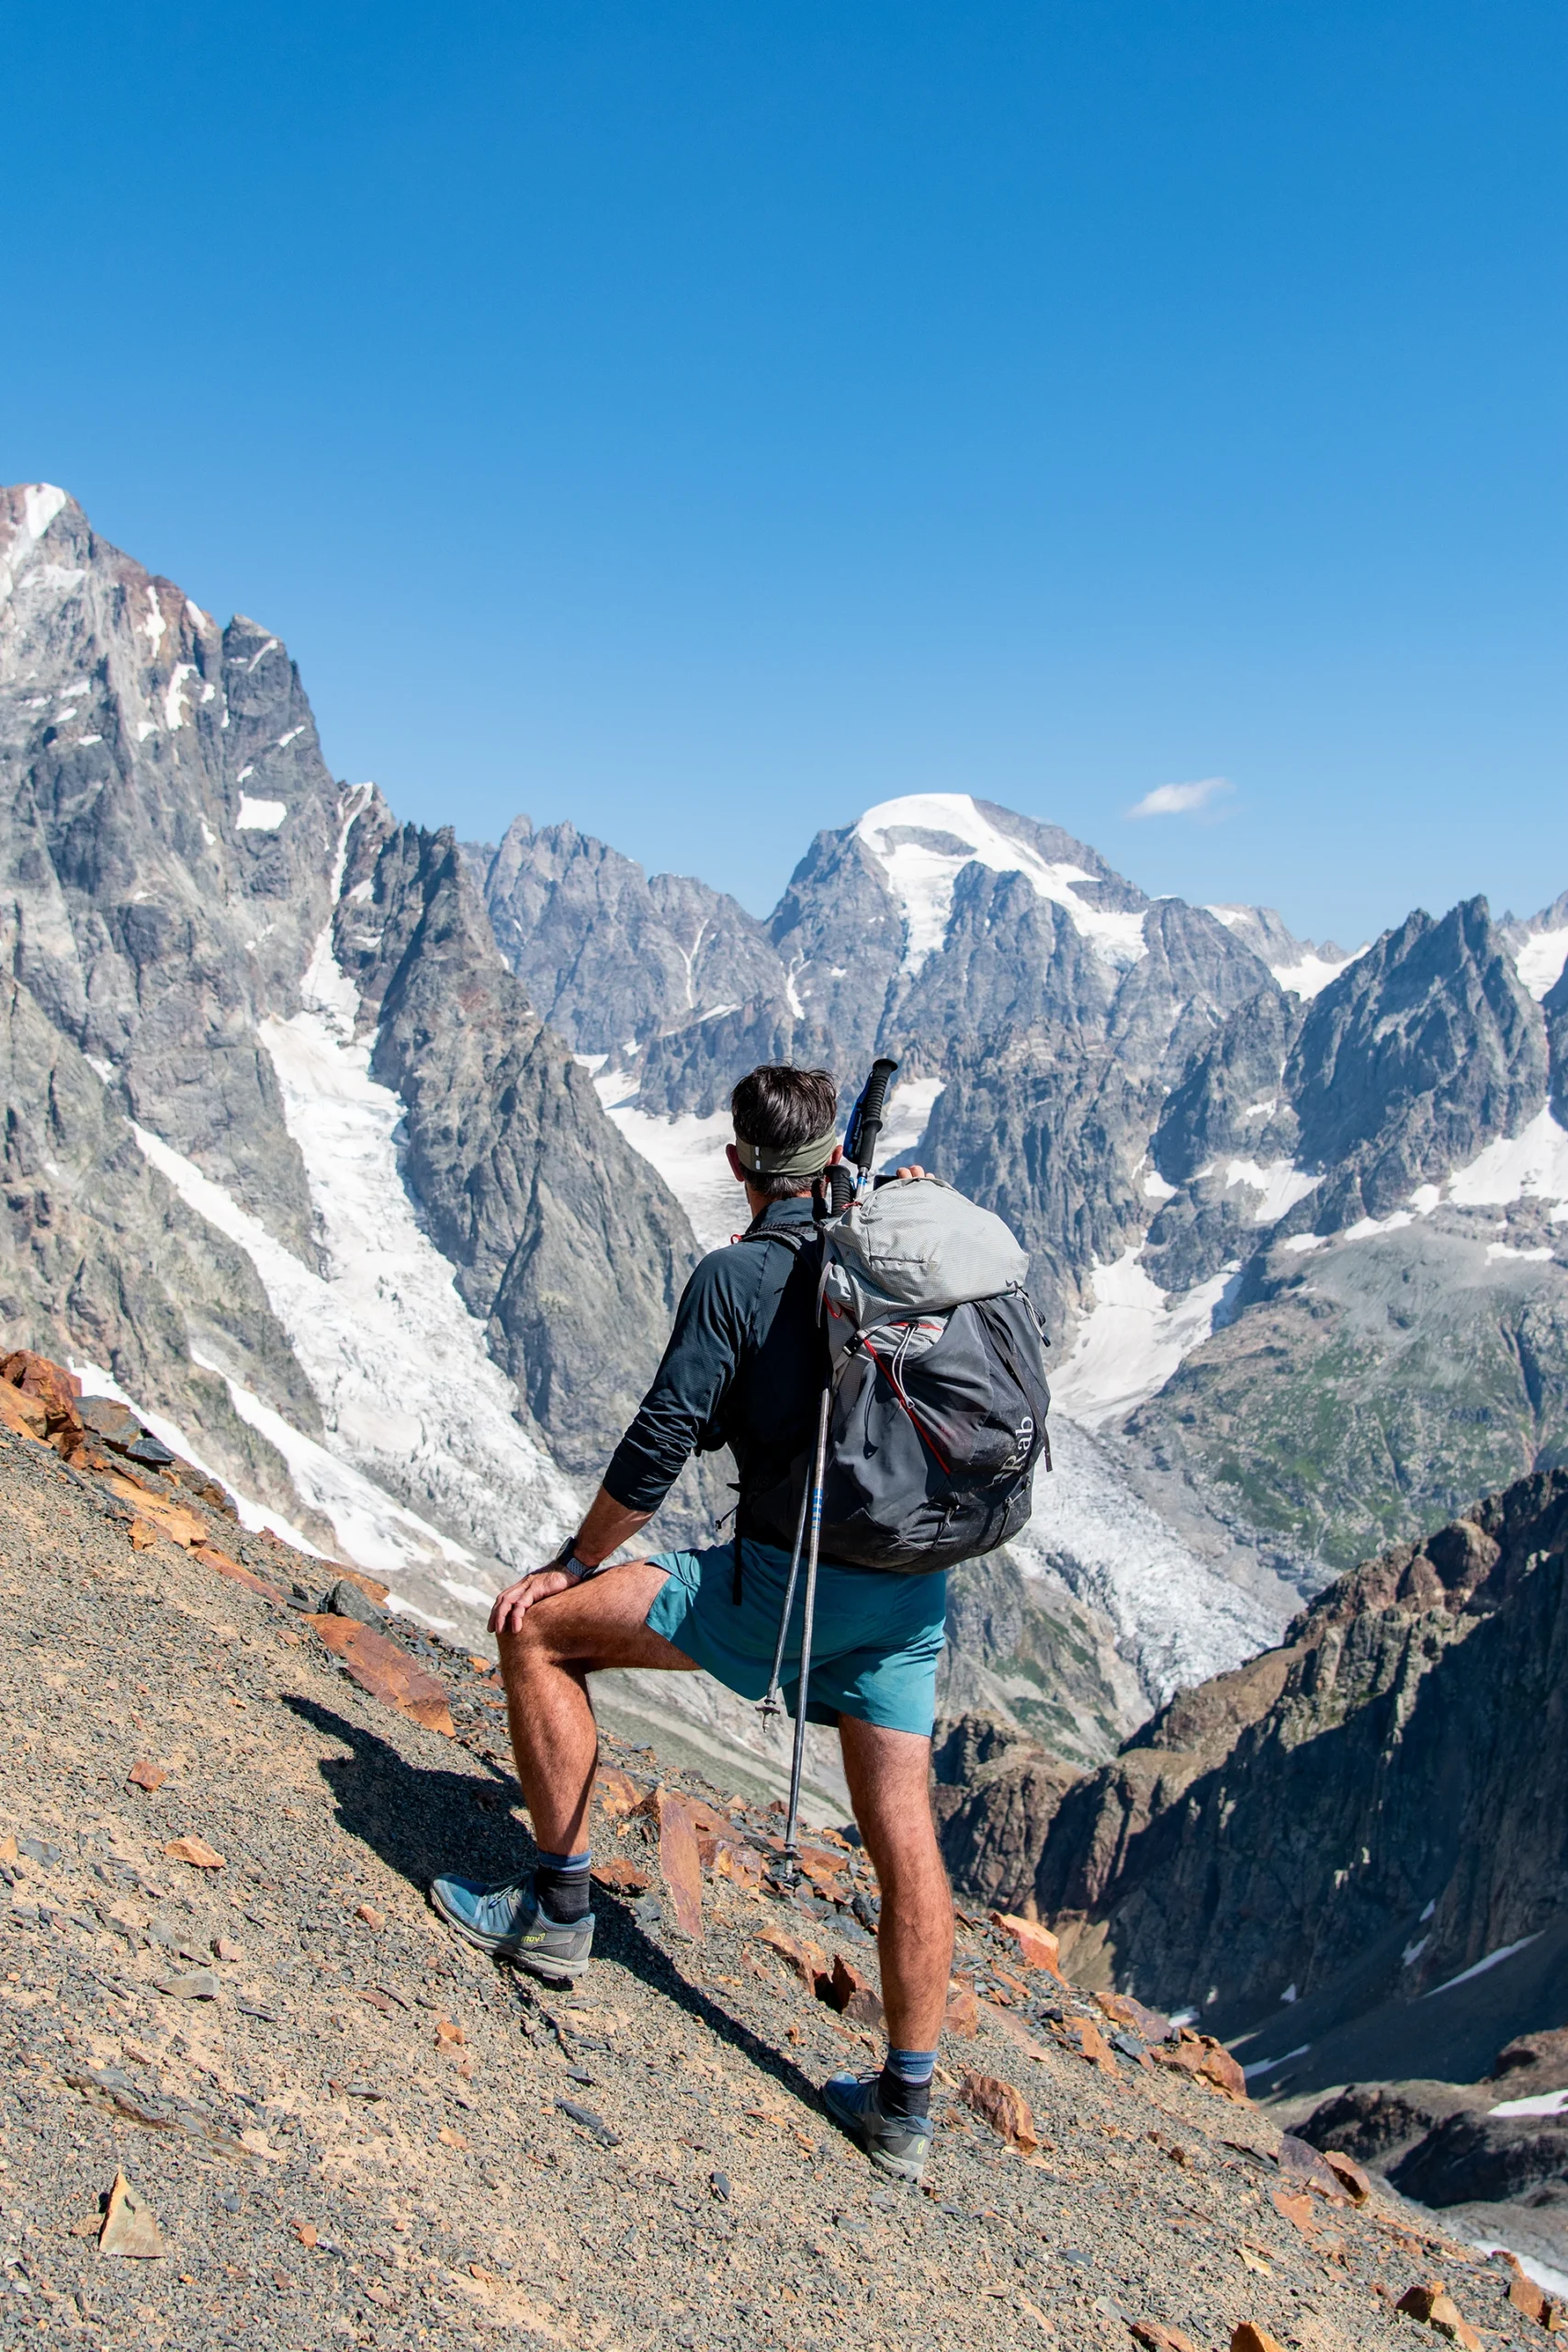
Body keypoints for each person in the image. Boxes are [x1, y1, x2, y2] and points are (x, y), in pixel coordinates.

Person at [432, 1064, 953, 2182]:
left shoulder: (735, 1276)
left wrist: (573, 1563)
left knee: (539, 1635)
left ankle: (557, 1911)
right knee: (903, 1830)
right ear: (836, 1158)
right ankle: (905, 2107)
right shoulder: (897, 1247)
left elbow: (662, 1441)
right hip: (910, 1596)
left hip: (782, 1588)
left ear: (736, 1164)